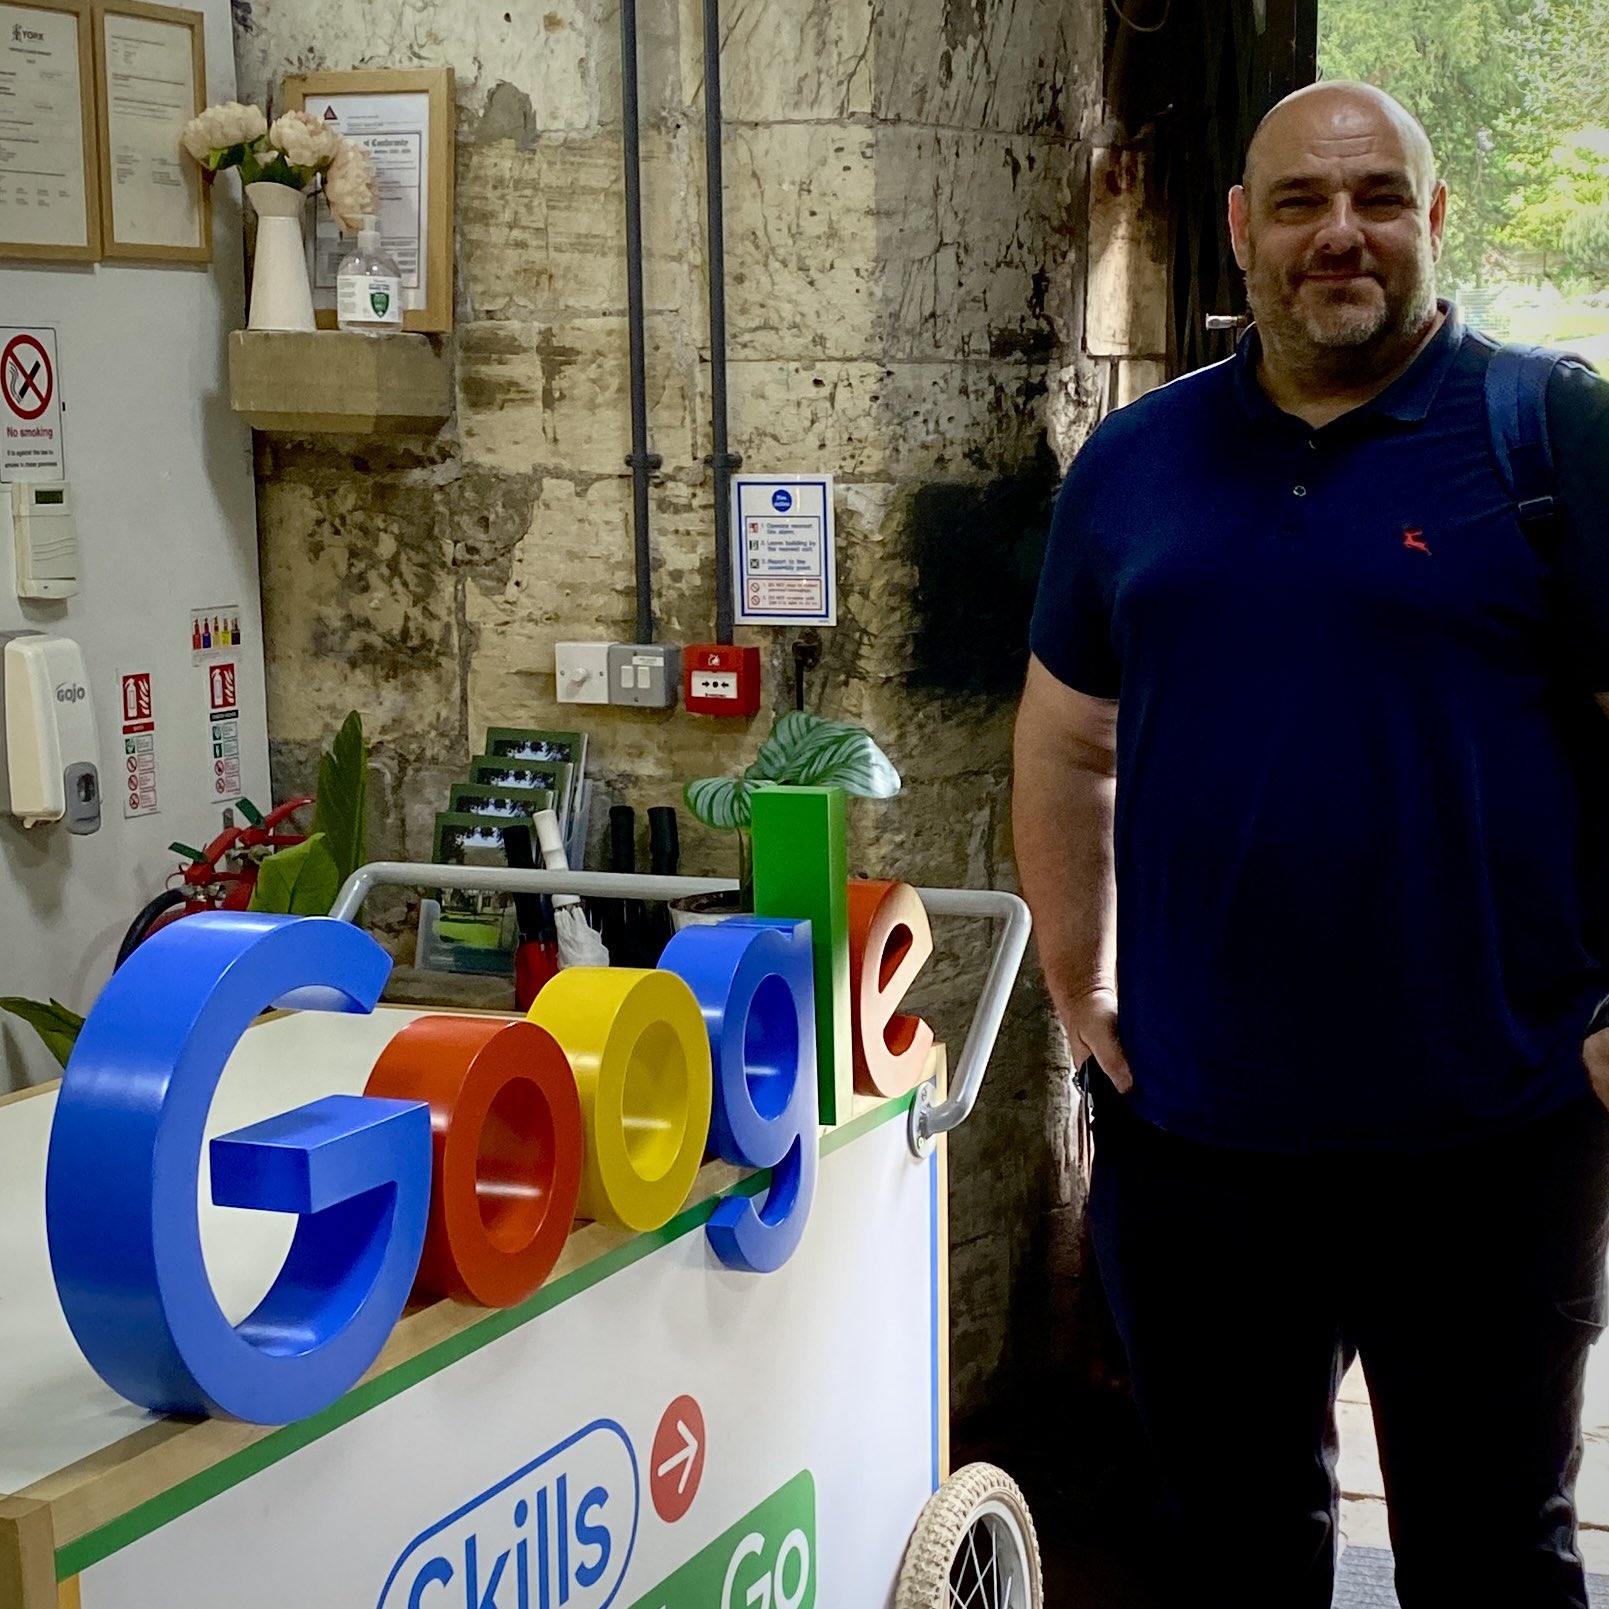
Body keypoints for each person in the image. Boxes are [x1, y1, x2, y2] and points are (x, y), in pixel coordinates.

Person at [1014, 81, 1609, 1608]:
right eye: (1298, 201)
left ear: (1427, 219)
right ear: (1239, 227)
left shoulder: (1549, 434)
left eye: (1376, 198)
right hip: (1204, 1140)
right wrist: (1079, 987)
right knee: (1229, 1551)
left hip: (1491, 1134)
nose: (1338, 234)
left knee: (1490, 1560)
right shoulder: (1132, 466)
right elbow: (1070, 736)